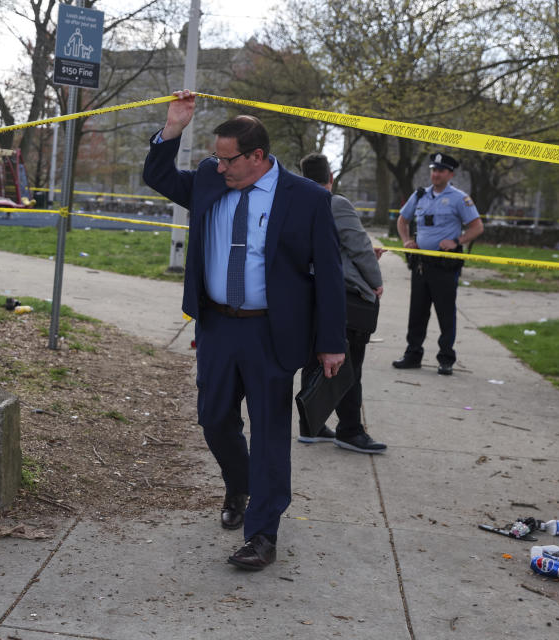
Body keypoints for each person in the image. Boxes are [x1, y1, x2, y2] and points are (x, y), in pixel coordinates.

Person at [143, 91, 346, 571]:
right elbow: (159, 176)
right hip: (217, 327)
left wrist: (332, 343)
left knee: (271, 434)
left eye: (228, 158)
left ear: (257, 157)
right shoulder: (211, 183)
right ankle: (239, 484)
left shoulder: (309, 199)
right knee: (214, 420)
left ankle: (262, 533)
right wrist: (172, 129)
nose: (220, 166)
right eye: (216, 157)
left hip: (271, 333)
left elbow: (331, 275)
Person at [297, 153, 387, 454]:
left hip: (308, 296)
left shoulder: (297, 203)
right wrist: (376, 281)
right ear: (331, 178)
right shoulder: (336, 203)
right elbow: (360, 247)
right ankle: (350, 430)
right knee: (350, 368)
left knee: (314, 361)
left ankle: (311, 425)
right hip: (345, 297)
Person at [392, 152, 484, 375]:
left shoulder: (459, 198)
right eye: (434, 170)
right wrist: (406, 241)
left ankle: (446, 359)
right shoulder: (420, 195)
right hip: (422, 263)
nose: (435, 174)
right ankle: (413, 354)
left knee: (445, 313)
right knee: (417, 313)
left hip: (444, 265)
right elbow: (402, 220)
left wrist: (457, 241)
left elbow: (477, 227)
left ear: (450, 174)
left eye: (441, 171)